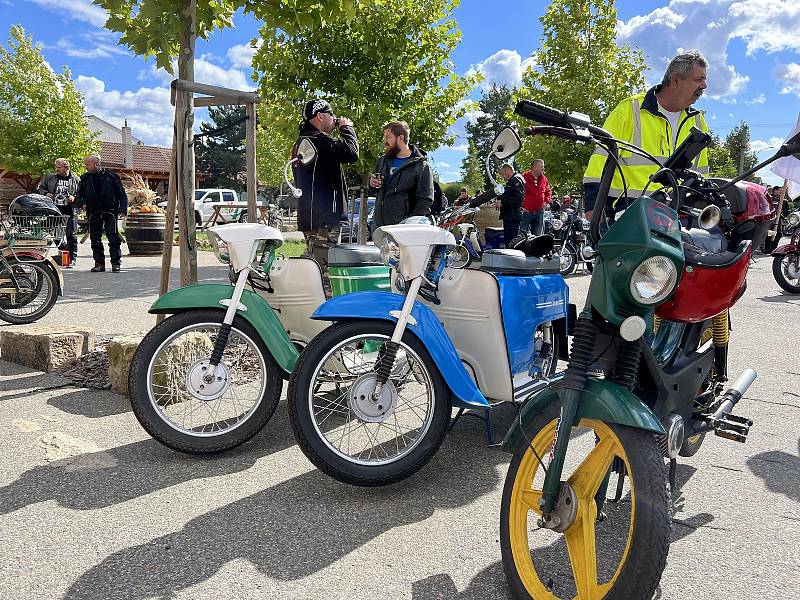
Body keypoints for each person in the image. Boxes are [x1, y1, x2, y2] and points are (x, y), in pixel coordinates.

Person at [582, 51, 710, 225]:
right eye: (698, 79)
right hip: (626, 215)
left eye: (704, 79)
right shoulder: (630, 109)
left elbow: (701, 174)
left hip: (676, 219)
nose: (704, 86)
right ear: (675, 80)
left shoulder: (698, 121)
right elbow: (600, 160)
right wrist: (593, 207)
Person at [293, 99, 359, 268]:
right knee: (325, 271)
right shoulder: (318, 141)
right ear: (320, 116)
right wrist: (346, 128)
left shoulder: (301, 142)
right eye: (331, 115)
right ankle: (326, 296)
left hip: (310, 218)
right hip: (325, 219)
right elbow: (351, 153)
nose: (334, 119)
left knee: (313, 267)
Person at [370, 121, 434, 228]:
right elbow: (375, 191)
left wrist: (410, 224)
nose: (385, 141)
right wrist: (371, 184)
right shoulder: (382, 161)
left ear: (401, 138)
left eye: (388, 137)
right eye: (384, 137)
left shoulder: (422, 166)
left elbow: (425, 200)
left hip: (404, 230)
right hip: (379, 227)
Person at [75, 155, 127, 272]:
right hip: (93, 211)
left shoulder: (112, 176)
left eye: (87, 165)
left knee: (113, 237)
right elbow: (79, 194)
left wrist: (122, 209)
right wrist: (81, 203)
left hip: (110, 211)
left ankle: (116, 263)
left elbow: (122, 194)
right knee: (95, 238)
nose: (85, 167)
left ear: (97, 164)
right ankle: (99, 264)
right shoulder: (84, 178)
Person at [36, 158, 80, 267]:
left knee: (71, 235)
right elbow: (41, 189)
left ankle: (72, 259)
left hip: (70, 210)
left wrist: (74, 198)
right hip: (54, 210)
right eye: (56, 167)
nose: (56, 169)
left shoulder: (76, 179)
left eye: (59, 167)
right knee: (55, 235)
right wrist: (46, 193)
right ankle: (64, 252)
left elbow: (82, 194)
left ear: (66, 168)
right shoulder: (50, 178)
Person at [471, 163, 524, 247]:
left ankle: (511, 259)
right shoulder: (515, 179)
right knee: (510, 241)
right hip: (511, 215)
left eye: (502, 173)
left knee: (511, 242)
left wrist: (502, 202)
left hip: (512, 216)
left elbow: (518, 199)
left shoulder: (515, 180)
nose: (503, 176)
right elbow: (511, 195)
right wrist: (500, 198)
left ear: (507, 171)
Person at [521, 159, 552, 235]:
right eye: (542, 167)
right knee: (521, 236)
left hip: (539, 212)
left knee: (538, 238)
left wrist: (546, 201)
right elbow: (516, 193)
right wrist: (520, 206)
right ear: (535, 168)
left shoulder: (544, 179)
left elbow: (548, 191)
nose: (543, 169)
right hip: (526, 213)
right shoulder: (523, 178)